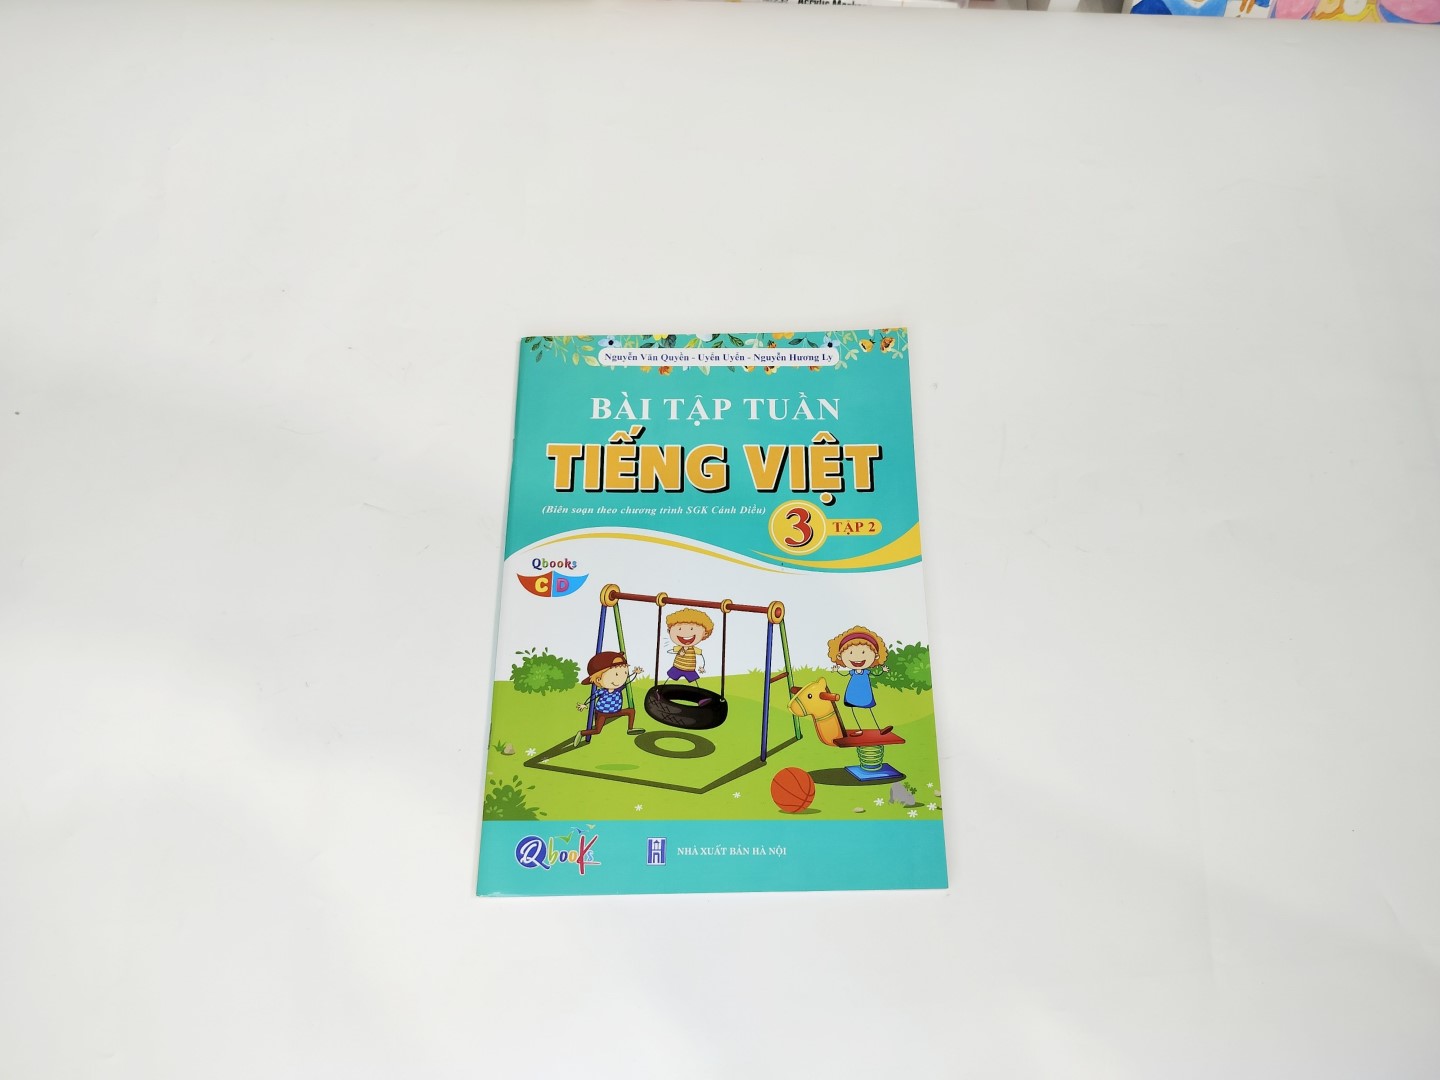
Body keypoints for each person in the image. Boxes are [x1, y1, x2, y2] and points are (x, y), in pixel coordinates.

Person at [825, 625, 892, 733]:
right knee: (854, 710)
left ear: (876, 656)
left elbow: (876, 674)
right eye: (851, 653)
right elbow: (844, 675)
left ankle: (879, 729)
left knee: (868, 709)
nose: (857, 657)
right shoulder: (853, 672)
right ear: (839, 656)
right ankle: (859, 729)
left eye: (863, 652)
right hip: (853, 692)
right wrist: (837, 670)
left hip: (865, 692)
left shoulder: (866, 671)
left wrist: (882, 671)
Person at [572, 651, 645, 748]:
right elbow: (592, 697)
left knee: (631, 711)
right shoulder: (602, 691)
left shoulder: (618, 689)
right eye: (616, 675)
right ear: (598, 680)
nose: (620, 679)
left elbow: (628, 681)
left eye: (624, 673)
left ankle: (630, 728)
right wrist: (585, 704)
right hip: (603, 713)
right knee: (597, 731)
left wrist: (635, 673)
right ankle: (582, 733)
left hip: (616, 711)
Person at [663, 607, 713, 683]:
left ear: (705, 633)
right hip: (677, 667)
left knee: (694, 681)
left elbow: (701, 656)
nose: (685, 633)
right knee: (670, 677)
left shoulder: (695, 649)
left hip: (690, 669)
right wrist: (679, 653)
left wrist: (702, 666)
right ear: (669, 631)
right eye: (679, 629)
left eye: (692, 629)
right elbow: (670, 651)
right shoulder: (679, 648)